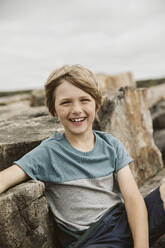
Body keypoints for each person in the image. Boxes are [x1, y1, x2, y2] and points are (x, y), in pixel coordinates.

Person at [0, 64, 165, 248]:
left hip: (123, 220)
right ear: (53, 109)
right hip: (91, 239)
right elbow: (5, 178)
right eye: (66, 102)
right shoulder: (48, 152)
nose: (76, 109)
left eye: (84, 100)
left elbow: (133, 198)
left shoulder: (111, 145)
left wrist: (140, 245)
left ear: (97, 103)